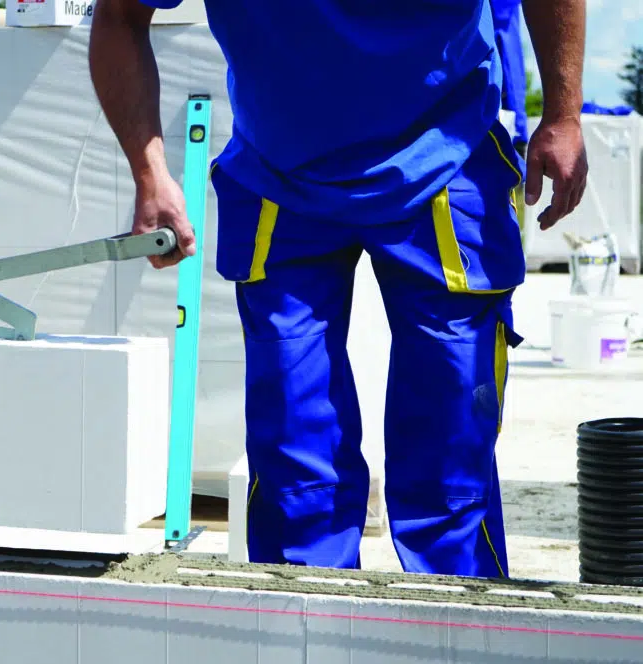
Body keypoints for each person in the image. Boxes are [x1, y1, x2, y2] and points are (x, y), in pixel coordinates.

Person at [89, 0, 587, 577]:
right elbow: (119, 15)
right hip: (281, 176)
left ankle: (457, 611)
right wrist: (149, 172)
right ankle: (307, 610)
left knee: (450, 448)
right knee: (296, 454)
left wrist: (564, 114)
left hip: (444, 158)